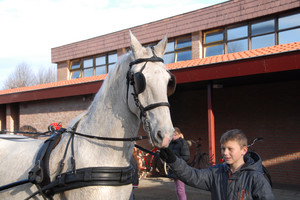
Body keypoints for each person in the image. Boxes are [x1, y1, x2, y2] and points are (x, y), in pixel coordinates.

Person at [160, 129, 274, 200]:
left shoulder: (256, 178)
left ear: (244, 150)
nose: (225, 153)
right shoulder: (217, 172)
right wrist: (174, 161)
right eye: (223, 148)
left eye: (230, 149)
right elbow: (193, 176)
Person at [168, 127, 190, 200]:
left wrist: (177, 162)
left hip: (180, 168)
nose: (172, 136)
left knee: (180, 189)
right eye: (172, 135)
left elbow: (186, 156)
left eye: (174, 135)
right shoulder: (171, 143)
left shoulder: (183, 143)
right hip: (173, 168)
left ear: (179, 135)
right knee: (178, 189)